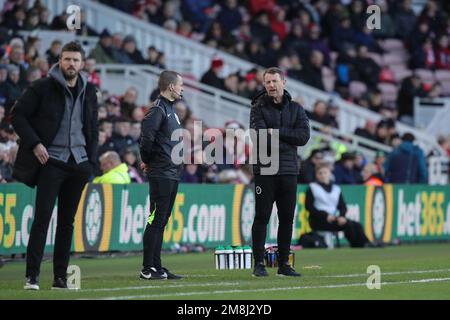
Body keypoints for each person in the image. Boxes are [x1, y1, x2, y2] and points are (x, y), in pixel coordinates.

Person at [11, 42, 99, 290]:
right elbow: (17, 115)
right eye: (67, 59)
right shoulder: (42, 87)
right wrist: (36, 144)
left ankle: (60, 278)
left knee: (67, 223)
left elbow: (92, 127)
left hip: (80, 164)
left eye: (76, 60)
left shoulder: (89, 90)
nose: (71, 64)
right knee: (42, 220)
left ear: (82, 64)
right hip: (52, 162)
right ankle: (32, 277)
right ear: (59, 60)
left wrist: (91, 162)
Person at [250, 67, 310, 277]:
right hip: (265, 170)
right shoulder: (257, 108)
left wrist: (276, 133)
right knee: (262, 217)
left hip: (288, 171)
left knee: (286, 218)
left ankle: (284, 264)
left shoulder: (296, 109)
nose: (271, 85)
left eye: (275, 81)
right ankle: (259, 263)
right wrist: (287, 137)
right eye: (267, 82)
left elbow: (303, 137)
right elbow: (260, 137)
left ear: (283, 82)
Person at [139, 70, 184, 280]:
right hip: (161, 172)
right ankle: (147, 268)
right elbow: (146, 138)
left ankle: (157, 266)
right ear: (172, 86)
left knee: (161, 220)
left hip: (171, 172)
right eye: (180, 85)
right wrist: (148, 161)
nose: (182, 88)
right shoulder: (157, 110)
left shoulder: (170, 110)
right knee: (156, 219)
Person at [305, 163, 371, 248]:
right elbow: (309, 207)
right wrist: (325, 216)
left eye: (325, 172)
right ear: (316, 175)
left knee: (356, 225)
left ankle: (365, 243)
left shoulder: (336, 189)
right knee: (349, 225)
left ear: (329, 173)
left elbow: (342, 206)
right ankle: (358, 245)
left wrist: (342, 216)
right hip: (318, 219)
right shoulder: (312, 187)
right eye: (320, 173)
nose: (322, 175)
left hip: (333, 218)